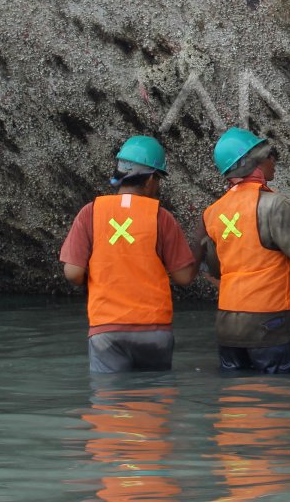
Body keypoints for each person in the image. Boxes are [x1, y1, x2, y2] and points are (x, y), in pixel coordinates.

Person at [60, 135, 197, 372]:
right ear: (151, 179)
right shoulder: (161, 217)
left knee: (111, 404)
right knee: (153, 404)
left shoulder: (90, 212)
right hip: (154, 331)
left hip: (107, 330)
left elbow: (73, 273)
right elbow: (184, 278)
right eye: (159, 179)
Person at [198, 127, 290, 374]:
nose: (273, 160)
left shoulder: (213, 212)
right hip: (270, 324)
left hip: (227, 326)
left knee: (236, 404)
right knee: (275, 404)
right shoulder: (274, 205)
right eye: (270, 154)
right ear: (254, 163)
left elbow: (216, 268)